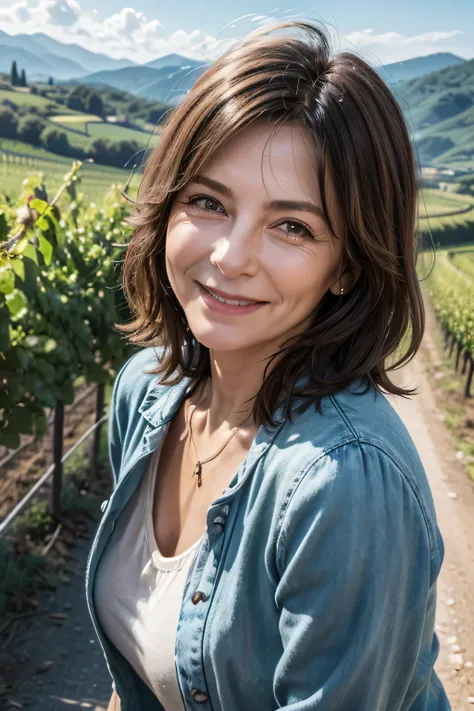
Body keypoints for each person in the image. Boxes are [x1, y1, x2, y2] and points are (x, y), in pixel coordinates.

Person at [85, 18, 452, 711]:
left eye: (292, 225)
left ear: (346, 263)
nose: (230, 257)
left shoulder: (344, 483)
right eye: (207, 202)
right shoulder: (145, 393)